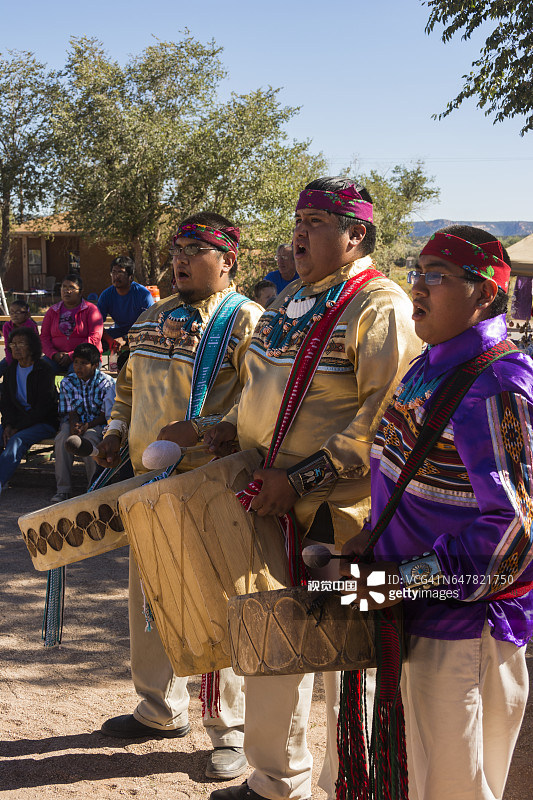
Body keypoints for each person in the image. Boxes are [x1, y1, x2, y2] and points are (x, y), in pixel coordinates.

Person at [205, 177, 421, 800]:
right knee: (275, 641)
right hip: (267, 502)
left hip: (337, 518)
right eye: (299, 217)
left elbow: (383, 420)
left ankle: (353, 784)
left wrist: (299, 479)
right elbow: (258, 392)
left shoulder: (381, 306)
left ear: (356, 235)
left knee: (347, 659)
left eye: (319, 221)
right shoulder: (291, 299)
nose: (300, 230)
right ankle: (277, 781)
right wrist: (226, 432)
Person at [340, 225, 533, 800]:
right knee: (418, 776)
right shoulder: (430, 367)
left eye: (436, 276)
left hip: (463, 632)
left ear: (485, 293)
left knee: (454, 787)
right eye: (415, 272)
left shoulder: (497, 385)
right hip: (414, 613)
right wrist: (371, 542)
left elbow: (514, 534)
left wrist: (399, 581)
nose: (417, 287)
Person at [95, 212, 263, 781]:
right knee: (149, 600)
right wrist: (116, 431)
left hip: (211, 486)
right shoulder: (152, 315)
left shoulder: (246, 321)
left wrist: (212, 426)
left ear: (228, 260)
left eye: (196, 250)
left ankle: (229, 730)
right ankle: (159, 708)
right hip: (148, 485)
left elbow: (265, 403)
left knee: (214, 608)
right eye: (177, 250)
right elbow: (127, 385)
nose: (181, 259)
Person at [51, 342, 116, 503]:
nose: (78, 367)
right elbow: (70, 410)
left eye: (84, 363)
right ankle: (63, 489)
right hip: (74, 422)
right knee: (62, 440)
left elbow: (104, 415)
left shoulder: (106, 382)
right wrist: (74, 426)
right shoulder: (68, 382)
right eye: (76, 362)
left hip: (97, 423)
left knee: (91, 441)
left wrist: (87, 426)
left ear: (95, 365)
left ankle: (93, 488)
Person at [0, 327, 58, 495]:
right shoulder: (11, 370)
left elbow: (44, 407)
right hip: (17, 422)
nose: (15, 348)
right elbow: (7, 403)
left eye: (21, 344)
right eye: (13, 344)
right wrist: (8, 424)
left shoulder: (44, 370)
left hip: (43, 422)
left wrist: (17, 428)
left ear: (32, 346)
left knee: (16, 441)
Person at [41, 274, 104, 374]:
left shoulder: (91, 310)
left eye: (72, 288)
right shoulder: (52, 311)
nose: (67, 291)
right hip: (57, 358)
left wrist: (72, 355)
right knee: (40, 369)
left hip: (84, 357)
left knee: (75, 374)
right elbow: (44, 337)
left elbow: (94, 338)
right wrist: (54, 354)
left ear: (80, 292)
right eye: (64, 287)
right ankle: (50, 390)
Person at [97, 256, 155, 353]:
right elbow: (97, 324)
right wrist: (110, 340)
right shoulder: (106, 295)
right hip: (117, 332)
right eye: (113, 272)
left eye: (120, 272)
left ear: (130, 277)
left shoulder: (143, 294)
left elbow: (150, 324)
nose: (116, 276)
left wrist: (125, 338)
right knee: (95, 339)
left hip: (140, 333)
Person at [0, 301, 39, 378]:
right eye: (12, 312)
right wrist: (10, 362)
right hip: (12, 357)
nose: (14, 315)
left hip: (29, 358)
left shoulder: (30, 325)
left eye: (18, 312)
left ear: (26, 314)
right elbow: (8, 347)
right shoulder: (7, 326)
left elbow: (35, 346)